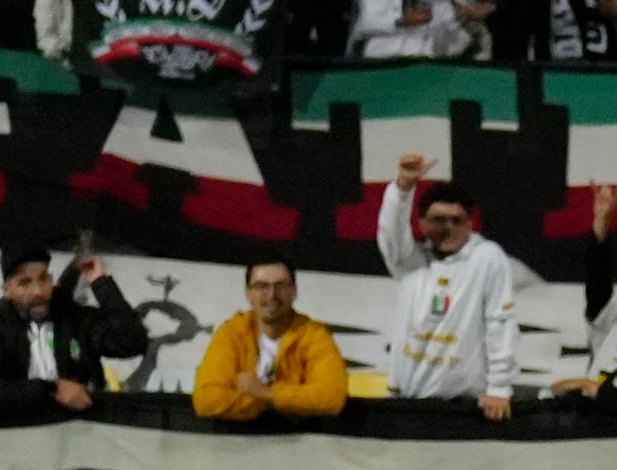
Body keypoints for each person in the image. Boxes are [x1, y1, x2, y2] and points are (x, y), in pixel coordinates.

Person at [373, 160, 525, 417]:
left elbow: (501, 322)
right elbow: (390, 233)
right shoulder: (408, 263)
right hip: (406, 399)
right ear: (421, 223)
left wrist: (499, 388)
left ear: (470, 223)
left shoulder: (486, 258)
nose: (448, 228)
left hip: (463, 407)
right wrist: (403, 188)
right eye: (438, 220)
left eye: (457, 220)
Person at [0, 244, 151, 420]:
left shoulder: (76, 318)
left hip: (81, 431)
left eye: (44, 279)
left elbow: (133, 342)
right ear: (7, 290)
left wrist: (101, 284)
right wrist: (51, 390)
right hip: (17, 435)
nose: (38, 291)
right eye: (24, 283)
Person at [193, 258, 352, 422]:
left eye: (281, 286)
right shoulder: (232, 332)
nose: (272, 295)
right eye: (261, 286)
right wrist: (278, 402)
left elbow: (331, 398)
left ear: (294, 291)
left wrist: (267, 393)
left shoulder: (314, 335)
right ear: (248, 294)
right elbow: (205, 401)